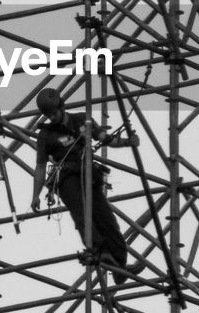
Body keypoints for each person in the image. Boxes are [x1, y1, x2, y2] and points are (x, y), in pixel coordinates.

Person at [30, 88, 140, 280]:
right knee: (82, 214)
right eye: (48, 115)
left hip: (88, 176)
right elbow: (40, 166)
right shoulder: (46, 135)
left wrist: (128, 142)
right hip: (67, 179)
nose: (52, 118)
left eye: (54, 113)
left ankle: (119, 263)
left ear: (61, 106)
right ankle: (99, 251)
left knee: (107, 219)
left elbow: (106, 139)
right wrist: (35, 195)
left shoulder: (82, 120)